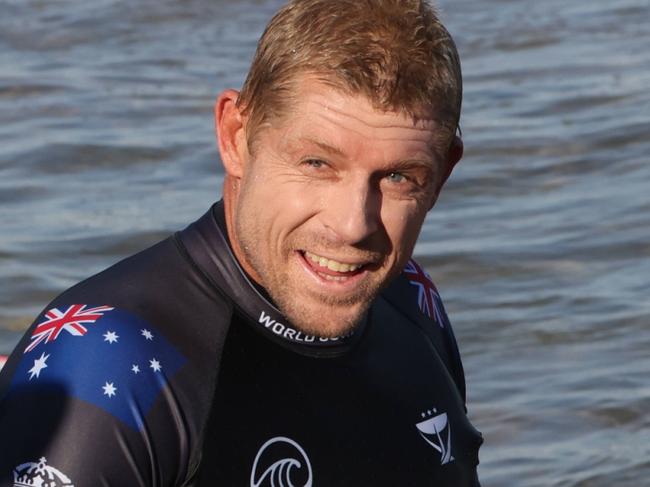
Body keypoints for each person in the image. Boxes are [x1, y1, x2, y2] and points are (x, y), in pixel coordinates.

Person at [0, 0, 482, 485]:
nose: (352, 225)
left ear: (442, 174)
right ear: (235, 136)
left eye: (398, 176)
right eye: (316, 163)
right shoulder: (107, 363)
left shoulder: (411, 298)